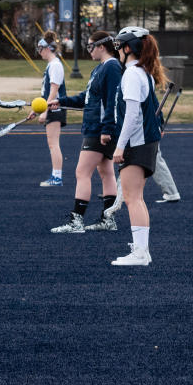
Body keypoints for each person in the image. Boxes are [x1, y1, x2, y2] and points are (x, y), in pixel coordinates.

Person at [47, 31, 123, 233]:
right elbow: (86, 98)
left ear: (101, 46)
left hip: (99, 129)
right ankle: (108, 220)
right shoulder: (99, 70)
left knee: (82, 172)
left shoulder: (112, 67)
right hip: (95, 127)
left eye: (90, 46)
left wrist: (107, 129)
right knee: (105, 172)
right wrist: (60, 102)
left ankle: (76, 222)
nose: (88, 50)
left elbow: (112, 100)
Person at [109, 26, 165, 267]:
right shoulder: (143, 72)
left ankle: (141, 253)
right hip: (144, 141)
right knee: (136, 197)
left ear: (128, 47)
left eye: (120, 46)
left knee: (133, 198)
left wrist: (120, 147)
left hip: (136, 143)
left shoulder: (132, 74)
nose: (118, 51)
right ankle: (142, 251)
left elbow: (132, 115)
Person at [36, 37, 67, 187]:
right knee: (52, 143)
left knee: (53, 144)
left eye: (40, 49)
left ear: (47, 48)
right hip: (51, 107)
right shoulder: (52, 65)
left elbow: (54, 90)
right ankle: (56, 176)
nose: (39, 52)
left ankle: (57, 177)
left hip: (55, 108)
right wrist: (37, 111)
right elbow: (47, 92)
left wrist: (45, 111)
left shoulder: (55, 65)